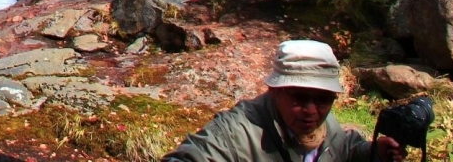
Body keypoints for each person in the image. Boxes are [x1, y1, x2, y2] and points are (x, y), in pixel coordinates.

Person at [163, 40, 407, 162]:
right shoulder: (236, 132)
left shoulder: (325, 127)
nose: (311, 111)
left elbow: (343, 149)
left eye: (323, 100)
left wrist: (372, 153)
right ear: (275, 90)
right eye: (299, 98)